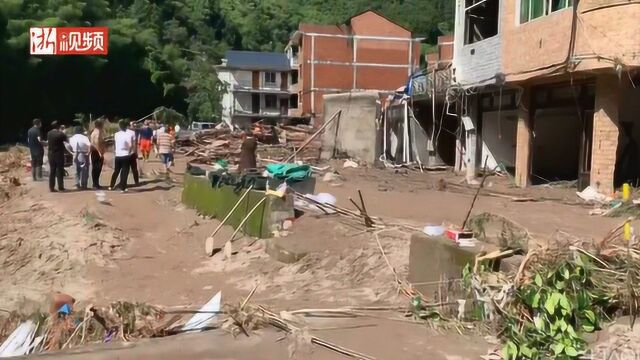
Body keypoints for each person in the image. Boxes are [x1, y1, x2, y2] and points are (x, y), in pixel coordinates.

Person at [110, 120, 132, 192]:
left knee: (116, 171)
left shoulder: (116, 134)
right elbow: (130, 145)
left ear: (119, 126)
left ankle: (111, 185)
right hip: (125, 154)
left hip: (118, 154)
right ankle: (123, 187)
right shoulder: (128, 135)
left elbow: (115, 144)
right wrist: (129, 150)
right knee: (124, 171)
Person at [46, 121, 69, 192]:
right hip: (59, 154)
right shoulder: (61, 134)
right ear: (58, 127)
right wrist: (63, 132)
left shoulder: (49, 133)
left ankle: (51, 187)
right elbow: (67, 141)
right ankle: (60, 187)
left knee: (52, 170)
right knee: (59, 170)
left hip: (50, 154)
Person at [90, 120, 106, 189]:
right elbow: (96, 142)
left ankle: (95, 183)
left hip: (94, 151)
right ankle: (95, 184)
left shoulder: (93, 132)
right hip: (97, 152)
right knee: (97, 168)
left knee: (95, 168)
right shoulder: (98, 132)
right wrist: (100, 152)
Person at [127, 121, 140, 186]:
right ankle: (123, 182)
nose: (135, 125)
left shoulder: (135, 131)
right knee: (126, 168)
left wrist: (135, 152)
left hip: (132, 152)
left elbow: (135, 144)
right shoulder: (130, 132)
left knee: (134, 168)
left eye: (135, 124)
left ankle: (136, 181)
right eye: (133, 124)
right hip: (128, 152)